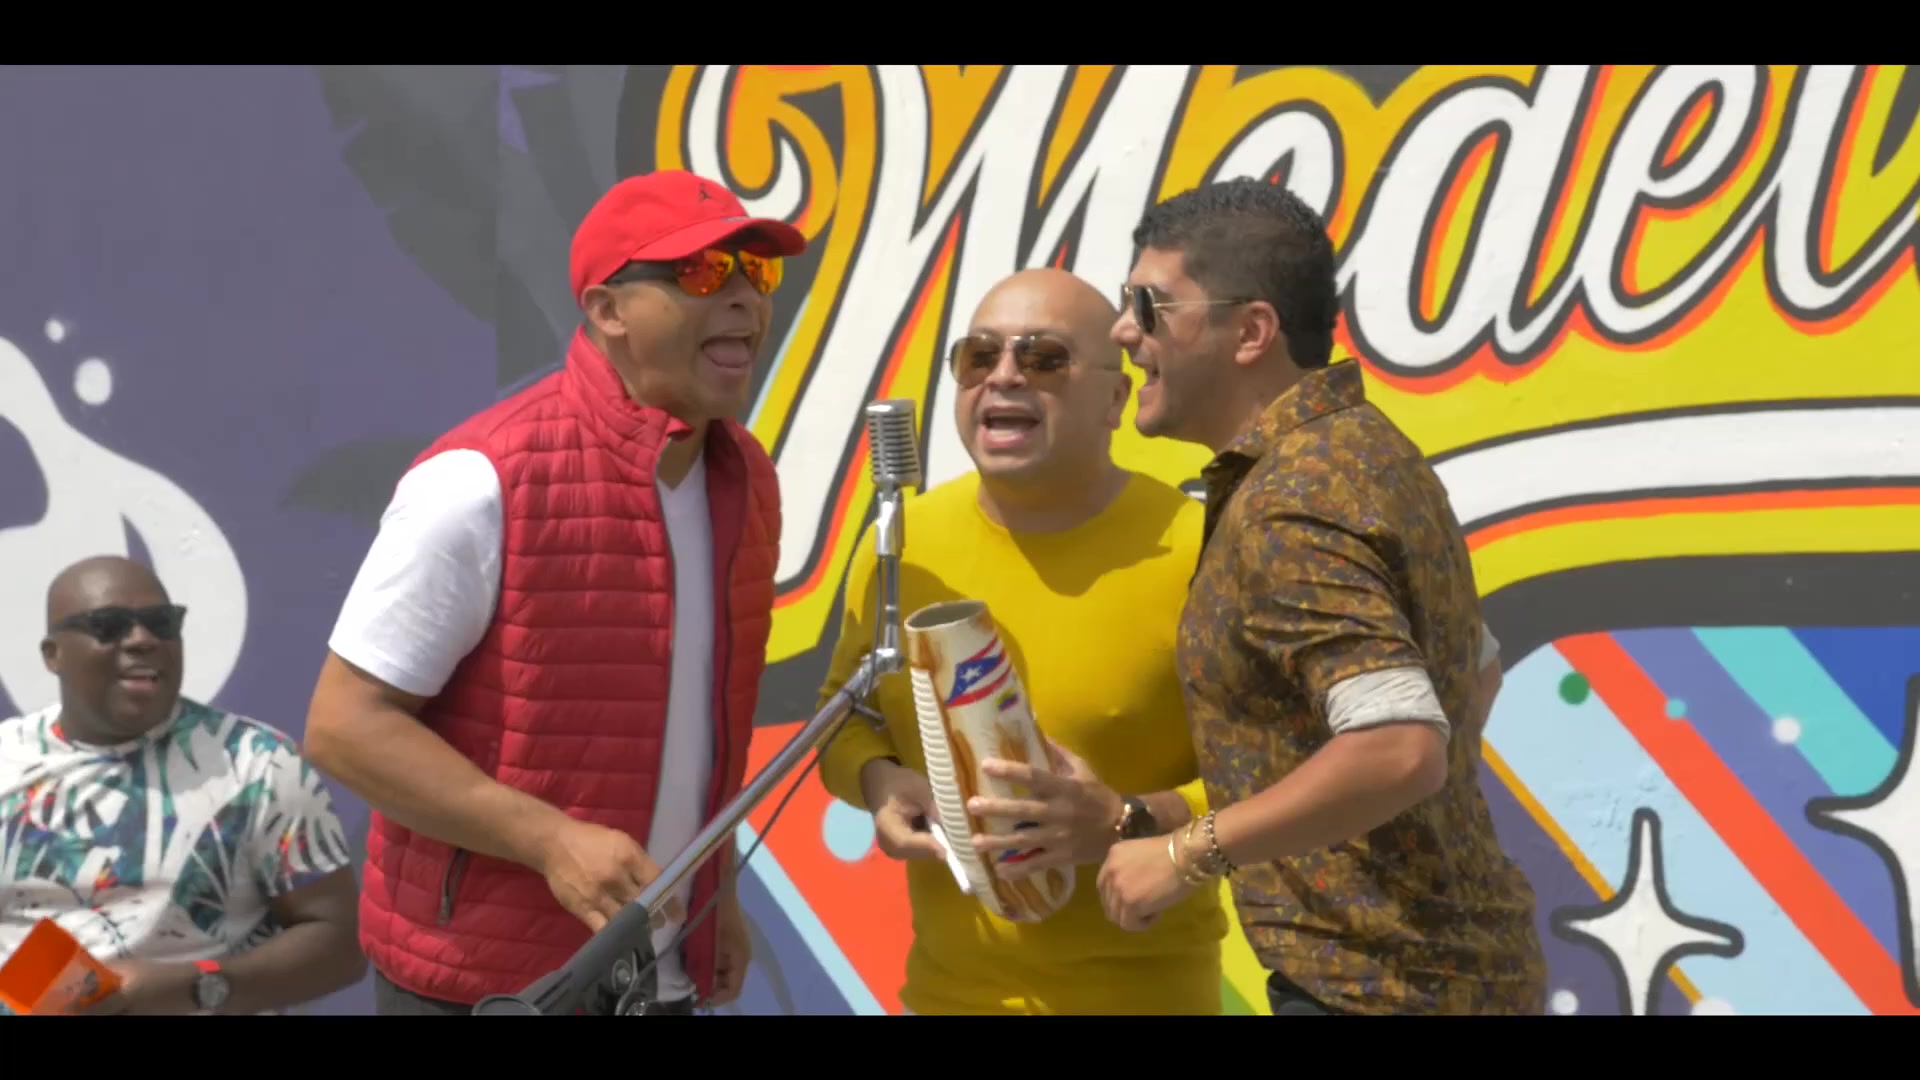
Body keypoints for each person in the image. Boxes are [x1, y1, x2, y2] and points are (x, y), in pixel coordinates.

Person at [301, 169, 802, 1016]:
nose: (744, 299)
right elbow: (344, 729)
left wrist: (714, 896)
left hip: (660, 979)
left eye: (757, 272)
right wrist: (549, 840)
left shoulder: (745, 478)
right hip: (487, 989)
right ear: (608, 311)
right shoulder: (481, 480)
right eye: (703, 272)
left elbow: (688, 740)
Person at [1095, 178, 1547, 1016]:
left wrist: (1187, 853)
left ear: (1251, 331)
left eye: (1150, 306)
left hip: (1375, 989)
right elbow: (1473, 675)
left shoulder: (1293, 497)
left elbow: (1400, 747)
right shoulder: (1363, 449)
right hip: (1440, 976)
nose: (1124, 331)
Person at [816, 268, 1230, 1015]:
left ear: (1115, 399)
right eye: (979, 355)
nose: (1004, 375)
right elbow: (843, 719)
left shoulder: (1200, 550)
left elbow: (1283, 782)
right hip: (943, 999)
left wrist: (1128, 819)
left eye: (1043, 358)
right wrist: (878, 782)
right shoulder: (904, 544)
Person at [0, 556, 363, 1016]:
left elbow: (341, 946)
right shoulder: (8, 760)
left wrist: (197, 986)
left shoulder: (256, 763)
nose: (142, 640)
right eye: (109, 626)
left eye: (162, 623)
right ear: (53, 655)